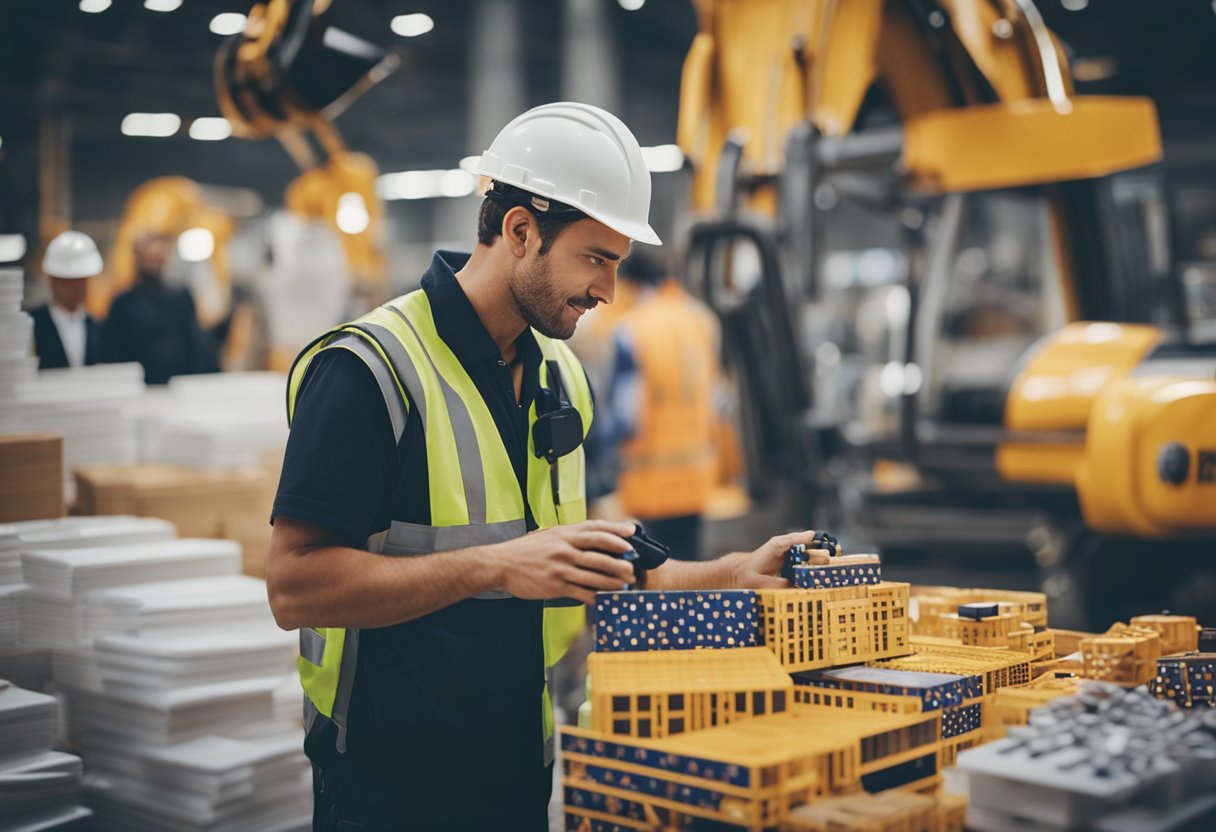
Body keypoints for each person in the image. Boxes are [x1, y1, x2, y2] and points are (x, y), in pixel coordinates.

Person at [266, 102, 826, 831]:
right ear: (521, 231)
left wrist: (727, 574)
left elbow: (573, 557)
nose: (608, 292)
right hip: (390, 782)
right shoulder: (369, 370)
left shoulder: (561, 375)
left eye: (618, 265)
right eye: (595, 259)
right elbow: (293, 587)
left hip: (517, 767)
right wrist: (496, 566)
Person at [607, 250, 720, 560]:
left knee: (656, 578)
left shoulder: (632, 328)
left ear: (630, 283)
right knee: (690, 572)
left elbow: (626, 411)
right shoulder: (700, 318)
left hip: (650, 479)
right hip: (696, 474)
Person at [100, 231, 218, 384]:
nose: (155, 261)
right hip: (139, 388)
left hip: (178, 387)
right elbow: (113, 353)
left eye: (159, 256)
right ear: (137, 257)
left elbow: (193, 345)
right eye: (149, 256)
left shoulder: (180, 297)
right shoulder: (123, 303)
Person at [30, 231, 104, 370]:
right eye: (69, 281)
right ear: (52, 280)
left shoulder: (96, 327)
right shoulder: (33, 324)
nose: (77, 287)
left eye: (82, 280)